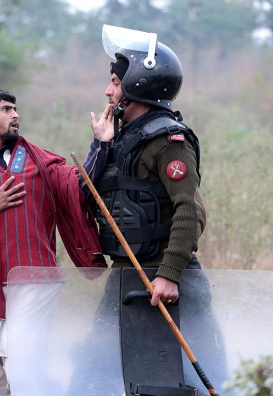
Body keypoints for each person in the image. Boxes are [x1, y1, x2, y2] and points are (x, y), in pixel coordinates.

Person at [0, 88, 106, 396]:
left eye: (16, 109)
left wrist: (100, 144)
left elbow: (82, 188)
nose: (15, 115)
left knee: (26, 369)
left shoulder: (41, 163)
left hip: (35, 280)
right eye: (6, 109)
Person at [84, 25, 206, 306]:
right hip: (126, 272)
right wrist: (101, 144)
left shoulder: (169, 140)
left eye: (115, 82)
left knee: (199, 352)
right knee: (94, 351)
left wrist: (170, 274)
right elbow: (88, 194)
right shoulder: (121, 137)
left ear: (138, 83)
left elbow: (189, 209)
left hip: (164, 277)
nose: (107, 91)